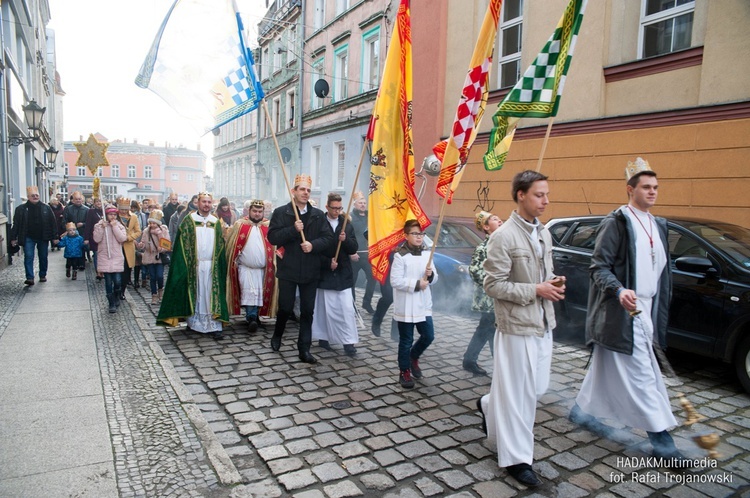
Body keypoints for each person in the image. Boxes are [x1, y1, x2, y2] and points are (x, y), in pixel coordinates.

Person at [569, 158, 683, 461]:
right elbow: (599, 267)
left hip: (647, 308)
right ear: (630, 189)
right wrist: (619, 291)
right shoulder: (617, 221)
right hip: (623, 313)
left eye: (656, 187)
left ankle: (580, 411)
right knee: (644, 375)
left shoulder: (658, 224)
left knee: (605, 367)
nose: (653, 192)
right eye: (646, 187)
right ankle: (663, 443)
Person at [477, 170, 564, 487]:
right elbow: (493, 285)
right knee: (521, 397)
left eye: (547, 194)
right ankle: (517, 459)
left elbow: (543, 275)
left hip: (543, 322)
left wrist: (549, 287)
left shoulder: (544, 233)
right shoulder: (503, 236)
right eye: (539, 194)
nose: (545, 200)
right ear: (521, 195)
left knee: (535, 388)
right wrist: (535, 290)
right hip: (515, 327)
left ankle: (489, 405)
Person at [267, 174, 334, 364]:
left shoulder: (318, 215)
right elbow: (272, 237)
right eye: (302, 189)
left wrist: (313, 245)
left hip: (311, 270)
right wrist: (292, 230)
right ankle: (277, 335)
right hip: (289, 268)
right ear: (293, 191)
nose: (305, 193)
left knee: (307, 310)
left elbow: (328, 239)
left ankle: (304, 348)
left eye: (308, 190)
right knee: (286, 307)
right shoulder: (282, 213)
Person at [158, 192, 229, 339]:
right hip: (194, 266)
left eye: (209, 202)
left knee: (210, 294)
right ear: (198, 203)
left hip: (211, 266)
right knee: (197, 294)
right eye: (204, 202)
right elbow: (181, 245)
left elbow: (220, 245)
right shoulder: (189, 220)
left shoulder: (215, 222)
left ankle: (214, 325)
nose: (206, 205)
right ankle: (194, 323)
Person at [391, 219, 438, 389]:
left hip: (423, 304)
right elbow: (395, 281)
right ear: (406, 236)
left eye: (421, 234)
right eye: (415, 234)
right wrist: (417, 284)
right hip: (406, 304)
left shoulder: (427, 254)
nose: (419, 237)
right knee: (406, 340)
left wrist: (430, 275)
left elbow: (435, 278)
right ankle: (404, 371)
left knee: (428, 335)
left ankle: (413, 357)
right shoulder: (400, 255)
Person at [312, 193, 359, 356]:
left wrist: (345, 240)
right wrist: (327, 262)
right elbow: (314, 248)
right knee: (324, 308)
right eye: (334, 208)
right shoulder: (319, 223)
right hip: (325, 272)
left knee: (346, 309)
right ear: (327, 207)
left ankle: (348, 341)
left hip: (342, 272)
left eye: (340, 208)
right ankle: (323, 337)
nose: (337, 211)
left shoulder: (346, 224)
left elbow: (353, 248)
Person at [226, 199, 276, 332]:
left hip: (263, 269)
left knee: (260, 294)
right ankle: (251, 317)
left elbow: (274, 244)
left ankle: (256, 316)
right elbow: (231, 245)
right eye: (255, 211)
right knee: (250, 293)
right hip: (246, 268)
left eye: (260, 211)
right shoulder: (240, 225)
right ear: (249, 211)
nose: (257, 214)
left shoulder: (268, 226)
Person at [463, 211, 502, 376]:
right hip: (488, 298)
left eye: (498, 218)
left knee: (488, 329)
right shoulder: (483, 247)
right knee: (490, 328)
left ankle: (470, 360)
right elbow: (474, 271)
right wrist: (494, 281)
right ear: (486, 227)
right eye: (494, 219)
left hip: (500, 296)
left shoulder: (503, 244)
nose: (499, 219)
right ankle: (498, 366)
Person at [10, 186, 60, 285]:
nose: (35, 197)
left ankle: (42, 275)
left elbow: (53, 223)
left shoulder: (46, 207)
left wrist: (55, 237)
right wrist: (13, 238)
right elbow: (16, 224)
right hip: (28, 236)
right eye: (33, 195)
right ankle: (30, 277)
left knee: (43, 256)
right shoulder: (21, 209)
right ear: (28, 197)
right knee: (28, 256)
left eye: (37, 195)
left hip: (43, 236)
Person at [93, 205, 128, 313]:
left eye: (114, 214)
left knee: (117, 281)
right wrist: (102, 228)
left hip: (116, 256)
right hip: (105, 256)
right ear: (106, 215)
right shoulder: (99, 225)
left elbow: (122, 238)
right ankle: (111, 302)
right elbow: (96, 239)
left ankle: (117, 294)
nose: (112, 216)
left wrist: (114, 227)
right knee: (108, 282)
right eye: (110, 214)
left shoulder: (119, 225)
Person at [348, 191, 376, 313]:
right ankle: (352, 305)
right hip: (355, 255)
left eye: (364, 203)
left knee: (373, 278)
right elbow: (346, 236)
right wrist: (350, 252)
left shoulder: (371, 216)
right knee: (352, 282)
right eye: (360, 203)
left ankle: (366, 303)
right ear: (355, 204)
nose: (363, 205)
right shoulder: (349, 218)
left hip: (368, 255)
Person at [137, 209, 170, 305]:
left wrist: (160, 239)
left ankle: (161, 290)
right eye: (150, 223)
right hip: (150, 256)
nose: (152, 225)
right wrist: (141, 245)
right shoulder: (146, 231)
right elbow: (143, 242)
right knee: (152, 277)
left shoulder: (163, 230)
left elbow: (167, 244)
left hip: (159, 257)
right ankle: (154, 295)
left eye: (154, 223)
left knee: (159, 276)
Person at [116, 198, 142, 299]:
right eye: (121, 209)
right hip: (117, 246)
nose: (123, 211)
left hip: (128, 246)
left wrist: (129, 238)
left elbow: (138, 231)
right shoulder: (115, 217)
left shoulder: (133, 217)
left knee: (127, 270)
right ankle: (117, 289)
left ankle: (122, 290)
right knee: (117, 269)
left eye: (125, 209)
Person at [62, 191, 89, 269]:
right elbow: (64, 220)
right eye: (76, 199)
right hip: (71, 232)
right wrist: (68, 228)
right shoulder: (68, 209)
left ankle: (81, 263)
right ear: (73, 200)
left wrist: (83, 224)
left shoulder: (86, 209)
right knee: (71, 248)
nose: (78, 201)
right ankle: (72, 264)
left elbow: (89, 222)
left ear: (82, 200)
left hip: (82, 231)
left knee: (82, 247)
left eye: (79, 199)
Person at [83, 198, 104, 279]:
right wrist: (86, 238)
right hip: (94, 236)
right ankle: (98, 271)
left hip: (104, 237)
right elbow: (88, 224)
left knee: (103, 255)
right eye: (97, 201)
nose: (99, 203)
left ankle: (103, 270)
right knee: (96, 254)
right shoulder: (91, 211)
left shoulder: (104, 211)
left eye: (100, 201)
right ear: (94, 203)